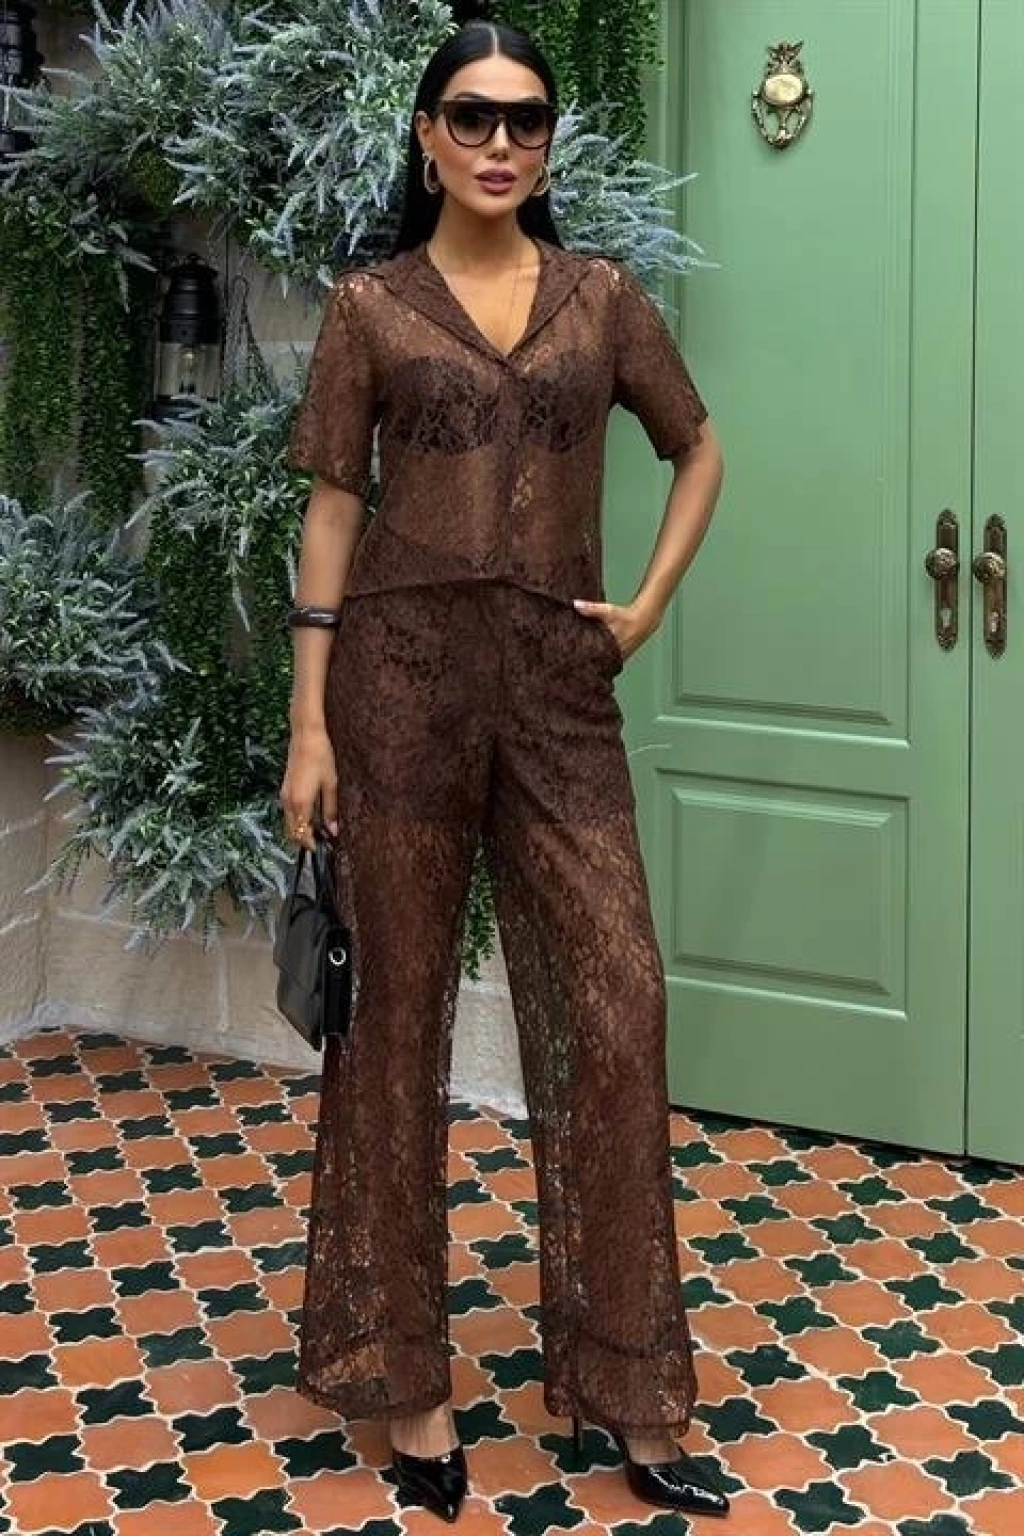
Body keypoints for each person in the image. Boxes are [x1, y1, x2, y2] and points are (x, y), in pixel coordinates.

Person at [279, 17, 726, 1526]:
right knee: (392, 1031)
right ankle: (403, 1383)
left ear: (549, 143)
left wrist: (644, 608)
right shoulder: (371, 307)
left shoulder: (602, 299)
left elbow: (699, 449)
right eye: (470, 116)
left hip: (555, 697)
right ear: (425, 136)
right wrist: (310, 724)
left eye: (525, 119)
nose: (498, 143)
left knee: (619, 1008)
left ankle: (631, 1382)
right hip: (397, 694)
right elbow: (332, 510)